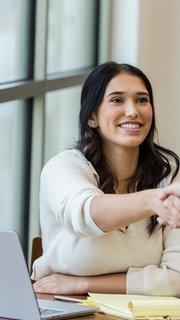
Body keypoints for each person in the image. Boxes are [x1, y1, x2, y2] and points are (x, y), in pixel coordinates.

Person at [32, 61, 180, 297]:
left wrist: (84, 284)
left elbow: (177, 280)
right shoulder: (63, 168)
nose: (133, 111)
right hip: (64, 304)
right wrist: (153, 200)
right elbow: (85, 214)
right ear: (92, 117)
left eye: (142, 100)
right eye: (117, 100)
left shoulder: (169, 175)